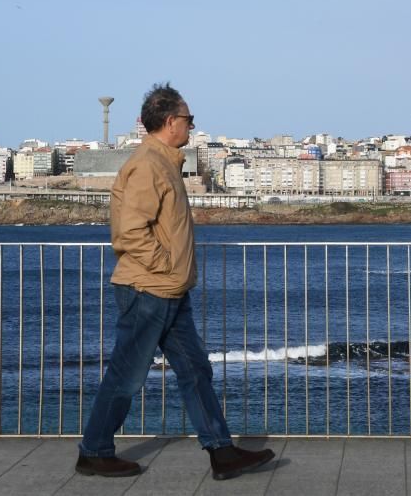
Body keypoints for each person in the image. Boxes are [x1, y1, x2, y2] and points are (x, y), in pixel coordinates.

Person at [76, 83, 275, 480]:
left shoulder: (166, 161)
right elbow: (129, 232)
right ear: (170, 121)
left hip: (169, 290)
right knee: (127, 375)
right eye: (188, 119)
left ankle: (221, 452)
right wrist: (166, 265)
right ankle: (94, 451)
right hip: (148, 290)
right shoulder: (149, 164)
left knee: (195, 369)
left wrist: (172, 273)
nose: (192, 126)